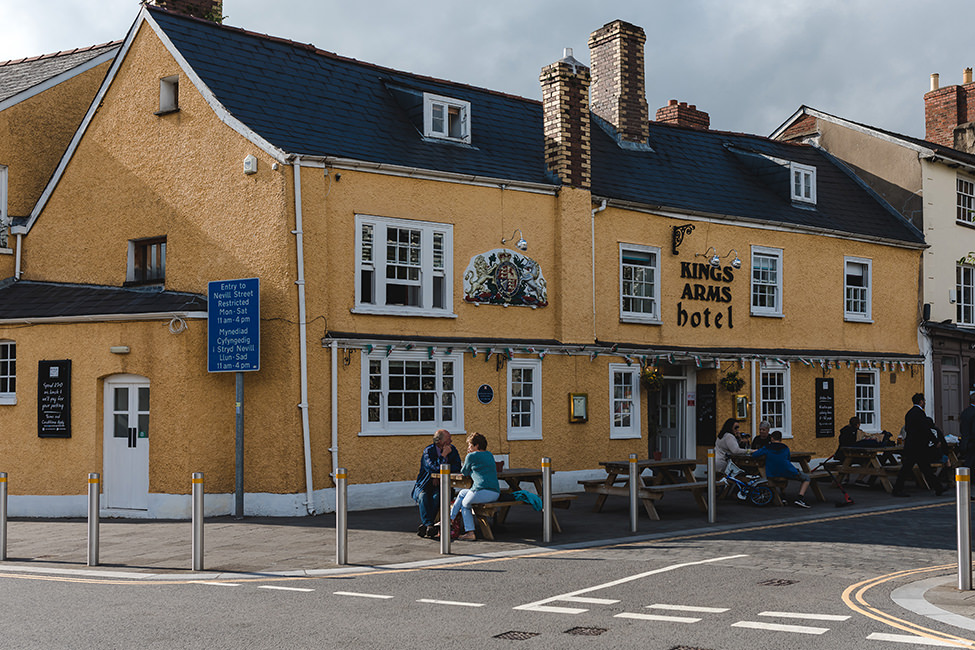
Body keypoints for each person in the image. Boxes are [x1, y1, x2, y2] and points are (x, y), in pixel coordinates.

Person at [892, 393, 946, 497]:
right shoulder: (920, 414)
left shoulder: (909, 413)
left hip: (912, 445)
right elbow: (925, 429)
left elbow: (908, 429)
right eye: (924, 401)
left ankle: (938, 487)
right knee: (921, 469)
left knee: (919, 469)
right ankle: (897, 489)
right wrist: (935, 441)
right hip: (918, 447)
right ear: (921, 401)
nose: (925, 403)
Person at [449, 432, 501, 541]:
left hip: (481, 491)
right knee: (462, 493)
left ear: (476, 446)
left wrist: (468, 456)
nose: (468, 448)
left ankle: (470, 532)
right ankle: (450, 518)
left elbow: (464, 472)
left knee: (465, 504)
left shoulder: (472, 456)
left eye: (470, 445)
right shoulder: (489, 454)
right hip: (495, 492)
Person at [411, 429, 461, 539]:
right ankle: (430, 525)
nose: (451, 441)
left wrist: (440, 473)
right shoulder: (428, 451)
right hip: (425, 484)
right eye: (448, 439)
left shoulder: (453, 450)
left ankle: (427, 525)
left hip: (442, 485)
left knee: (438, 496)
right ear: (439, 440)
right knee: (423, 496)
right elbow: (432, 467)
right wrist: (443, 456)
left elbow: (457, 466)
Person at [752, 430, 812, 508]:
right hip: (787, 471)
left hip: (772, 473)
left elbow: (755, 455)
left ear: (772, 438)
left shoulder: (767, 448)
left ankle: (783, 496)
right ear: (781, 439)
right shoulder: (785, 448)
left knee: (781, 474)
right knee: (806, 478)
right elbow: (788, 459)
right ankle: (800, 498)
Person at [960, 389, 975, 472]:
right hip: (972, 441)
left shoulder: (965, 412)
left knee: (968, 461)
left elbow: (962, 427)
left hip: (966, 440)